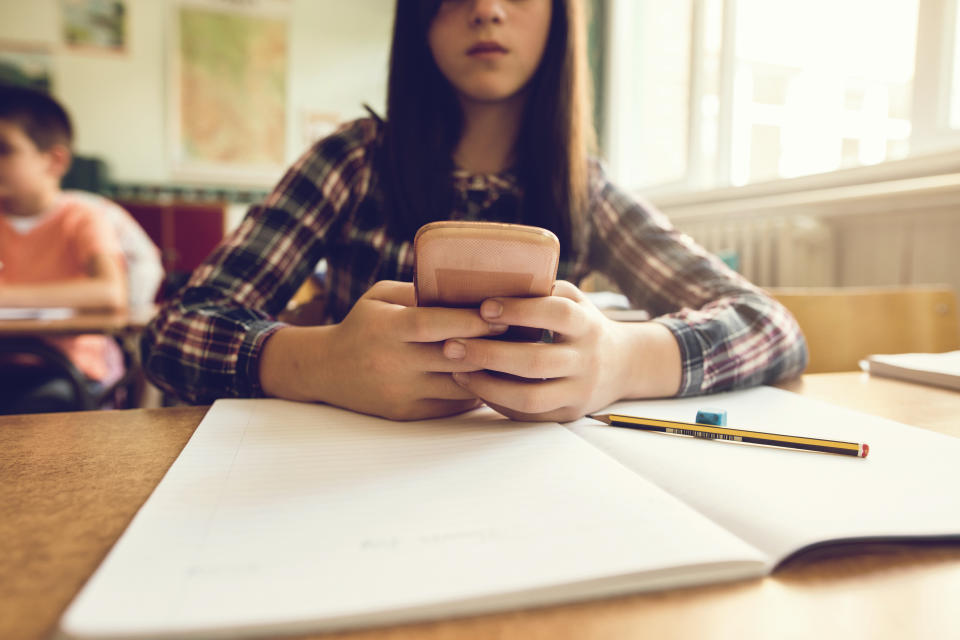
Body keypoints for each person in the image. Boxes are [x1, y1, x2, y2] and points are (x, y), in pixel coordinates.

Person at [142, 0, 807, 422]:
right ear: (419, 18)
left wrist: (623, 361)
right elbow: (175, 336)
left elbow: (771, 327)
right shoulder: (350, 161)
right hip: (349, 485)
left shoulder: (588, 191)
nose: (487, 9)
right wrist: (322, 362)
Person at [0, 85, 127, 413]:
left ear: (54, 161)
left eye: (4, 149)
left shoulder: (83, 216)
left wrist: (7, 296)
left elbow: (110, 292)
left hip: (65, 370)